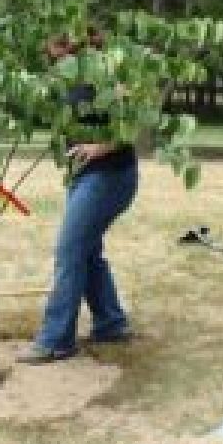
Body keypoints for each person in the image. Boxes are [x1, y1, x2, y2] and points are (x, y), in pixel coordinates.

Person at [18, 32, 138, 364]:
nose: (50, 53)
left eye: (56, 46)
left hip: (110, 176)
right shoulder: (66, 77)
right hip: (85, 176)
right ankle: (111, 324)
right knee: (86, 250)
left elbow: (132, 122)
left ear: (72, 43)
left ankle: (56, 340)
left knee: (70, 250)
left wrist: (98, 148)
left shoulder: (107, 73)